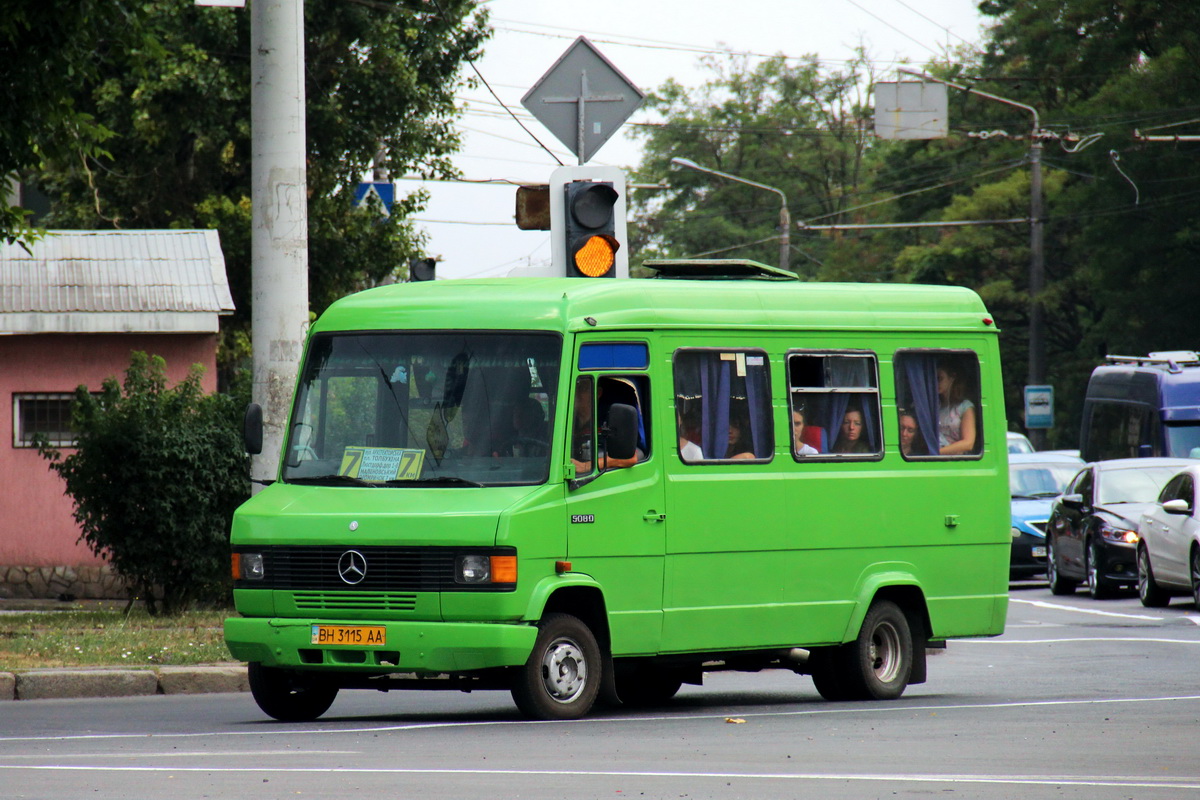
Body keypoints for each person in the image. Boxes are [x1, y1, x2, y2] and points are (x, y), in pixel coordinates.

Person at [937, 365, 977, 455]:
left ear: (952, 378)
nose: (936, 383)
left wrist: (937, 453)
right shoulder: (936, 407)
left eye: (940, 378)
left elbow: (968, 443)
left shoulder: (965, 406)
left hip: (958, 460)